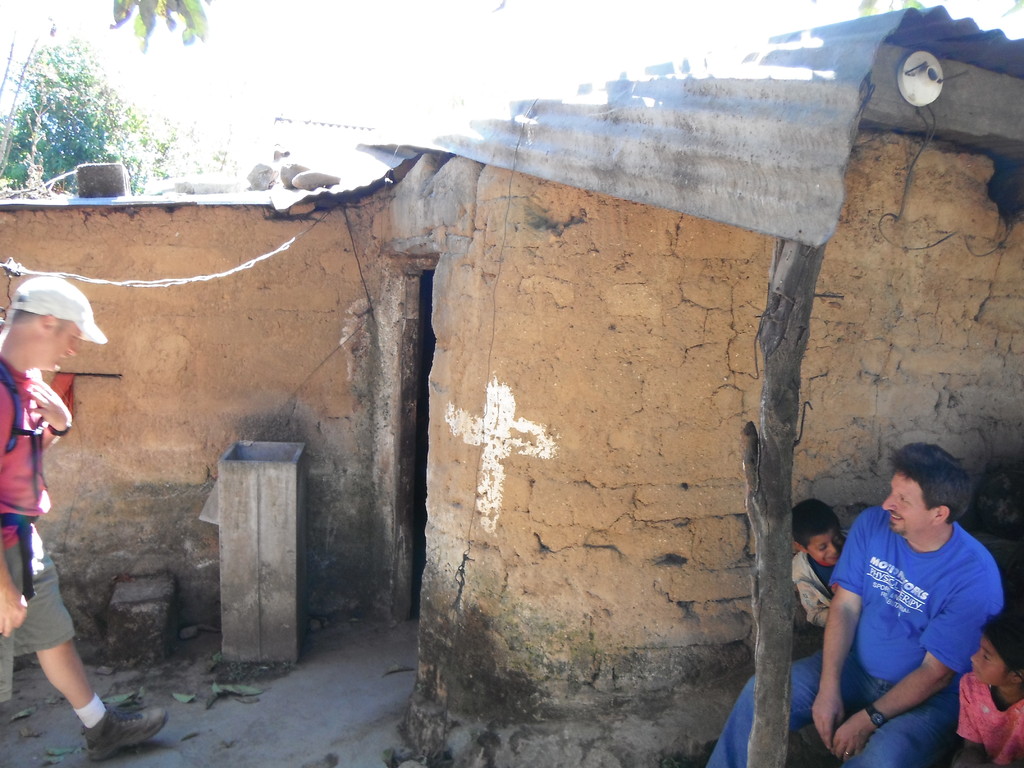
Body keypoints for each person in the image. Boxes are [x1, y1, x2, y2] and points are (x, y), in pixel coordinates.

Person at [707, 442, 1004, 768]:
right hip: (855, 669)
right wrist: (828, 687)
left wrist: (867, 720)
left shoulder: (974, 577)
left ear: (939, 513)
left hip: (929, 700)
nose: (887, 503)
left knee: (880, 760)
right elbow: (845, 607)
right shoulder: (872, 525)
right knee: (759, 696)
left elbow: (936, 674)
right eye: (893, 491)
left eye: (903, 500)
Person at [0, 276, 167, 761]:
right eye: (72, 336)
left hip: (19, 536)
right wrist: (4, 588)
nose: (74, 349)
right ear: (46, 323)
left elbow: (19, 460)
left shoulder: (25, 380)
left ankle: (101, 728)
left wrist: (59, 426)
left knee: (52, 631)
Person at [953, 612, 1024, 767]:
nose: (973, 657)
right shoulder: (971, 686)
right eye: (980, 649)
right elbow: (972, 745)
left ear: (1017, 676)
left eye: (986, 657)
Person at [792, 498, 843, 628]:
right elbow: (814, 613)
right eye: (822, 547)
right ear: (802, 547)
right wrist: (842, 615)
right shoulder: (803, 573)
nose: (834, 549)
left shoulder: (860, 546)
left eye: (837, 539)